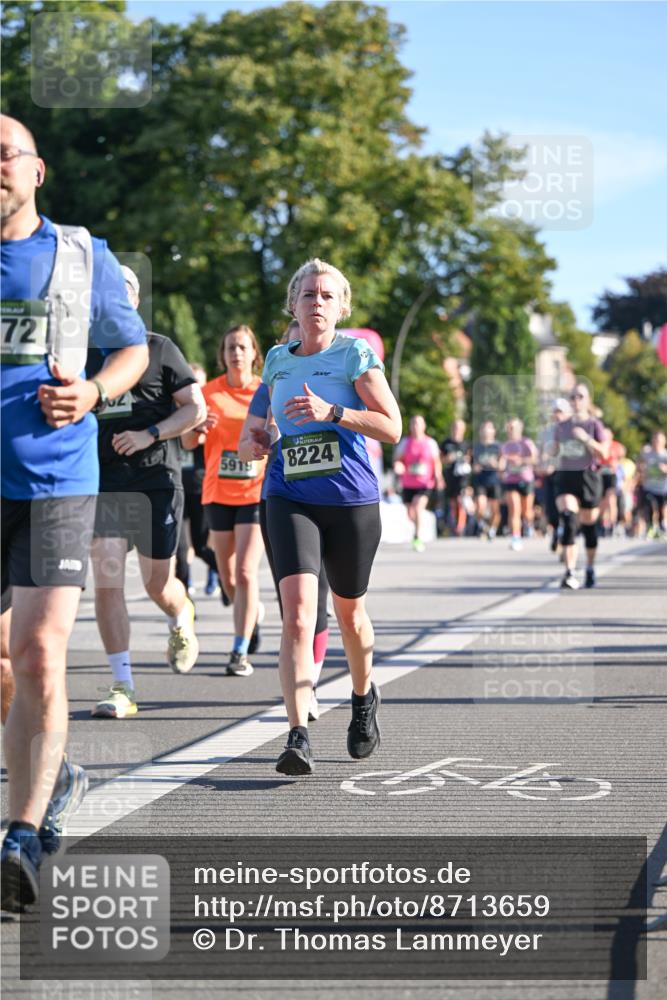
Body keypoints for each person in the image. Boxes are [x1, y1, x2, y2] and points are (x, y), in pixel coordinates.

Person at [0, 115, 148, 911]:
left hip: (56, 480)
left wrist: (93, 390)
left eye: (5, 155)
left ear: (37, 170)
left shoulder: (81, 254)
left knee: (37, 656)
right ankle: (58, 772)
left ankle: (21, 834)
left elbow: (131, 351)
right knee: (8, 667)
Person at [249, 258, 402, 775]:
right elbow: (261, 427)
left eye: (327, 295)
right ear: (293, 305)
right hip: (288, 495)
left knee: (349, 615)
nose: (317, 302)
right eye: (309, 294)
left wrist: (332, 412)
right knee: (297, 615)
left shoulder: (354, 355)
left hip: (350, 501)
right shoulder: (276, 360)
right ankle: (297, 735)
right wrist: (257, 440)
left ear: (341, 308)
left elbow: (392, 427)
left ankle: (363, 697)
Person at [89, 267, 206, 719]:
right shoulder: (88, 355)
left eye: (122, 293)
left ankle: (180, 613)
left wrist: (150, 433)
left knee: (158, 584)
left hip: (156, 480)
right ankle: (123, 684)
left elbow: (196, 408)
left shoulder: (159, 348)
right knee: (107, 578)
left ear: (135, 300)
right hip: (105, 480)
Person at [238, 321, 328, 720]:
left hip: (332, 498)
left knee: (321, 600)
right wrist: (257, 443)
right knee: (295, 607)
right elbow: (244, 446)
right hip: (282, 499)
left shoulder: (335, 378)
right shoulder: (268, 387)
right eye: (292, 344)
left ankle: (310, 685)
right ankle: (304, 685)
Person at [183, 325, 267, 677]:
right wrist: (198, 428)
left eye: (243, 347)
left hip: (254, 492)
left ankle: (239, 651)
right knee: (229, 577)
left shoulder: (264, 391)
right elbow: (188, 443)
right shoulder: (209, 392)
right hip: (217, 492)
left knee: (246, 571)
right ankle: (252, 614)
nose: (236, 353)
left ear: (253, 353)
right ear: (223, 354)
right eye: (231, 347)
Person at [174, 362, 224, 599]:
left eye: (199, 383)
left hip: (200, 487)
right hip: (175, 486)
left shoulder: (211, 411)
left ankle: (226, 576)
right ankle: (185, 604)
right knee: (180, 549)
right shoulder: (172, 409)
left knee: (202, 545)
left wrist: (197, 426)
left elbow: (206, 441)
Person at [552, 383, 608, 589]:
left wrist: (586, 439)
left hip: (588, 478)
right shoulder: (561, 426)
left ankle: (590, 567)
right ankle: (569, 572)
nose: (576, 401)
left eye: (580, 397)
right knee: (568, 519)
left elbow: (604, 453)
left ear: (588, 400)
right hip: (566, 476)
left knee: (589, 527)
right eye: (572, 397)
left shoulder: (595, 425)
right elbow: (553, 451)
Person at [393, 415, 443, 552]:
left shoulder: (430, 443)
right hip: (408, 483)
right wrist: (398, 466)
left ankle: (417, 537)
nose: (415, 426)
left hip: (425, 483)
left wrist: (438, 476)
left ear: (424, 426)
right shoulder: (405, 442)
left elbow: (436, 462)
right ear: (410, 426)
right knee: (410, 514)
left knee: (417, 507)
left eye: (418, 423)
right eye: (413, 423)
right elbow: (397, 460)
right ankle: (417, 527)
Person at [499, 418, 538, 551]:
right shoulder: (505, 446)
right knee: (514, 510)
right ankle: (516, 537)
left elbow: (535, 459)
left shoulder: (527, 443)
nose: (511, 431)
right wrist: (501, 470)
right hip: (511, 480)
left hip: (526, 479)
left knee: (527, 512)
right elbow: (501, 463)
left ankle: (529, 525)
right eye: (509, 428)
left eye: (513, 428)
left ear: (520, 429)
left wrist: (521, 460)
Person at [439, 420, 471, 537]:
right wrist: (447, 459)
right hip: (450, 476)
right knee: (453, 502)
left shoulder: (467, 444)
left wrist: (466, 459)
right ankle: (455, 523)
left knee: (460, 500)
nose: (457, 430)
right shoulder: (445, 443)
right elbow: (439, 460)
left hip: (463, 478)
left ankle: (460, 526)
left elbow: (471, 460)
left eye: (459, 428)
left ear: (463, 430)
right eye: (455, 427)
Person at [471, 420, 502, 540]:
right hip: (480, 480)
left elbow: (502, 465)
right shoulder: (476, 447)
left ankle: (492, 530)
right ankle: (482, 525)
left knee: (495, 510)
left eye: (489, 428)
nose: (486, 431)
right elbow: (471, 464)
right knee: (480, 507)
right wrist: (475, 467)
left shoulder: (498, 447)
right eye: (483, 429)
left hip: (494, 480)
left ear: (493, 431)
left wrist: (495, 464)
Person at [639, 430, 667, 539]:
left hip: (662, 488)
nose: (656, 442)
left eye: (659, 440)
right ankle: (650, 527)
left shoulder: (665, 455)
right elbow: (640, 464)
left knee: (661, 509)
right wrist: (642, 469)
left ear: (664, 442)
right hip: (649, 486)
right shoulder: (647, 454)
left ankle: (660, 527)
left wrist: (664, 469)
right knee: (649, 505)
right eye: (654, 440)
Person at [598, 427, 624, 537]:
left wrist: (615, 464)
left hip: (611, 475)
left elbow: (620, 459)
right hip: (600, 475)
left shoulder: (616, 446)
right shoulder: (599, 445)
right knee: (602, 503)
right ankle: (604, 525)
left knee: (611, 500)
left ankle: (613, 524)